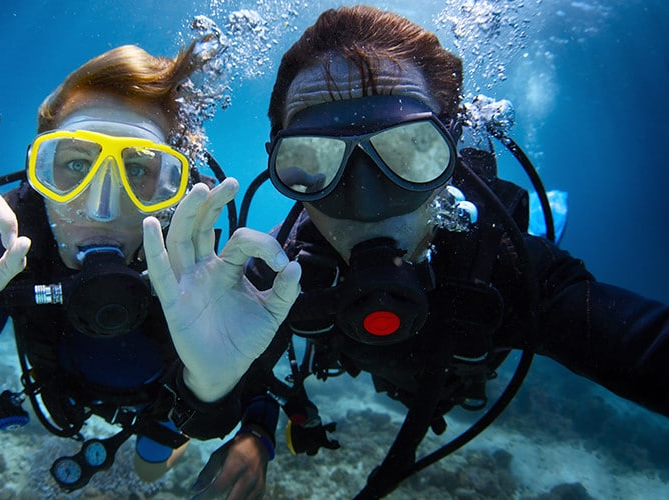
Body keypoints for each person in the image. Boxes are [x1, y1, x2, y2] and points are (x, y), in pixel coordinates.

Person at [239, 5, 668, 499]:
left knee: (545, 233)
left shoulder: (508, 268)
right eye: (311, 160)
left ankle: (555, 211)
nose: (366, 205)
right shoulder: (279, 271)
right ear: (282, 166)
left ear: (450, 150)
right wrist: (252, 428)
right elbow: (237, 371)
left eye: (408, 150)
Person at [0, 40, 300, 495]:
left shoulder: (195, 250)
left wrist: (236, 415)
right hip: (68, 395)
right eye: (76, 164)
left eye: (138, 172)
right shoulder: (17, 244)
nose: (101, 209)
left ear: (176, 190)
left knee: (150, 466)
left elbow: (252, 369)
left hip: (164, 404)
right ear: (42, 176)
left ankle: (163, 447)